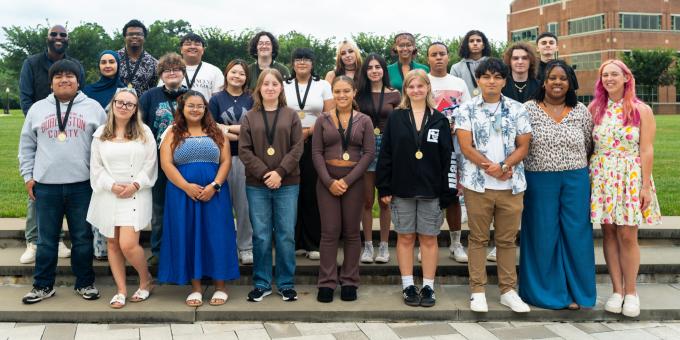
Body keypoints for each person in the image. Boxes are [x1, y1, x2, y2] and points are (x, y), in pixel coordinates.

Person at [18, 59, 107, 304]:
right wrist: (28, 177)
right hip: (46, 186)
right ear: (51, 82)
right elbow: (26, 146)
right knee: (46, 240)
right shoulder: (37, 109)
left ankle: (85, 283)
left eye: (70, 76)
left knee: (82, 238)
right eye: (59, 76)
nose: (64, 79)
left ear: (79, 81)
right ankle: (43, 285)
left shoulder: (93, 108)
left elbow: (104, 146)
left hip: (82, 185)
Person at [454, 58, 532, 313]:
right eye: (486, 76)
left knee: (506, 240)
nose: (491, 81)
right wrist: (492, 168)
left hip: (510, 185)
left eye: (497, 77)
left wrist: (505, 167)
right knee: (477, 238)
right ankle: (478, 291)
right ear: (478, 80)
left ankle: (508, 290)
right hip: (478, 186)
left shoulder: (518, 109)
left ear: (504, 81)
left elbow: (524, 145)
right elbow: (466, 147)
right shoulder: (466, 109)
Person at [519, 60, 596, 310]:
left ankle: (579, 291)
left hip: (575, 178)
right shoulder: (528, 109)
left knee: (577, 233)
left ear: (570, 82)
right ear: (543, 81)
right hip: (539, 178)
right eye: (552, 77)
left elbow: (588, 145)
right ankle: (547, 293)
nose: (557, 82)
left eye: (563, 78)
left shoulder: (581, 111)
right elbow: (521, 144)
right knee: (543, 233)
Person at [376, 70, 456, 308]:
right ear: (406, 90)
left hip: (431, 190)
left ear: (428, 88)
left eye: (421, 86)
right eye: (411, 87)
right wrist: (384, 186)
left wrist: (447, 191)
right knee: (405, 237)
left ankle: (429, 286)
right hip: (402, 189)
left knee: (429, 239)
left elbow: (447, 158)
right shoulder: (396, 118)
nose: (416, 91)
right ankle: (408, 284)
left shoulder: (439, 119)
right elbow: (386, 153)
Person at [589, 59, 661, 318]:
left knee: (628, 235)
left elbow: (647, 149)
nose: (609, 78)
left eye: (614, 74)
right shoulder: (595, 108)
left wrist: (644, 186)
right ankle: (616, 290)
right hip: (602, 175)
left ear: (626, 78)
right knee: (608, 233)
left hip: (630, 175)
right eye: (605, 75)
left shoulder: (641, 110)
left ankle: (631, 292)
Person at [158, 90, 239, 307]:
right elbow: (166, 164)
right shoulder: (172, 133)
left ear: (205, 109)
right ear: (182, 109)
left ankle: (220, 286)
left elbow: (225, 162)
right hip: (182, 194)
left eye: (200, 106)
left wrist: (215, 185)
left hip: (215, 194)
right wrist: (186, 186)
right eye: (191, 106)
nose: (196, 109)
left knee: (217, 235)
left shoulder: (216, 131)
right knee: (188, 234)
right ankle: (195, 287)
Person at [18, 24, 84, 264]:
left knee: (66, 187)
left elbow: (80, 92)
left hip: (70, 129)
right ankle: (33, 241)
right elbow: (25, 97)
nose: (58, 38)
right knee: (38, 185)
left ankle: (55, 239)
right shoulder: (31, 63)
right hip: (41, 130)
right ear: (47, 38)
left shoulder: (74, 65)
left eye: (63, 35)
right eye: (54, 34)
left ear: (68, 40)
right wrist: (41, 123)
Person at [87, 88, 156, 309]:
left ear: (136, 109)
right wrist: (112, 186)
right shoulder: (100, 134)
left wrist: (135, 185)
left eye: (130, 104)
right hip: (109, 192)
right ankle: (121, 290)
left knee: (128, 244)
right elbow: (96, 168)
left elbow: (151, 164)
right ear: (113, 104)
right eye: (120, 102)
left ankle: (146, 280)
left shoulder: (144, 132)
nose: (124, 107)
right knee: (113, 243)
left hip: (136, 192)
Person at [239, 69, 304, 302]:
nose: (269, 87)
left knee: (286, 234)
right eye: (265, 84)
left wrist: (279, 172)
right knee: (262, 235)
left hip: (287, 183)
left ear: (280, 88)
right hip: (257, 185)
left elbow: (298, 148)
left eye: (274, 84)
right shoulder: (249, 116)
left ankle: (286, 283)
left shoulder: (291, 115)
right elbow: (244, 150)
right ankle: (262, 282)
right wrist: (266, 173)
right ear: (259, 88)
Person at [313, 76, 375, 303]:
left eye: (346, 91)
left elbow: (369, 154)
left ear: (354, 92)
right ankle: (327, 282)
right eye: (337, 91)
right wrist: (329, 181)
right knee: (329, 232)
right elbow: (316, 153)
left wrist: (347, 181)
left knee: (351, 232)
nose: (341, 96)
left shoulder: (365, 121)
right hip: (327, 181)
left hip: (354, 181)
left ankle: (349, 281)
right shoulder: (322, 120)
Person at [283, 48, 333, 260]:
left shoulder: (323, 85)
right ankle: (294, 241)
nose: (302, 62)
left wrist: (308, 132)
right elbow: (278, 111)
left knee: (312, 193)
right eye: (298, 59)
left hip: (315, 141)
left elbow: (329, 114)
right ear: (292, 63)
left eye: (306, 59)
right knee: (291, 192)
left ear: (313, 63)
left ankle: (313, 242)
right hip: (287, 142)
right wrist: (297, 134)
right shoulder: (283, 85)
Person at [139, 53, 188, 265]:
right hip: (157, 162)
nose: (172, 73)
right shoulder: (150, 96)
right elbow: (139, 126)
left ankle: (184, 249)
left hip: (187, 162)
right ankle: (158, 252)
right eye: (167, 70)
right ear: (161, 75)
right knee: (158, 209)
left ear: (183, 73)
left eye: (176, 69)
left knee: (184, 207)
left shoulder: (192, 96)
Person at [426, 42, 471, 264]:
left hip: (454, 147)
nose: (438, 58)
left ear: (447, 56)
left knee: (453, 195)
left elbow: (468, 111)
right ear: (428, 59)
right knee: (430, 197)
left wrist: (456, 125)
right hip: (429, 149)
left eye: (442, 54)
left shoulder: (459, 83)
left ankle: (456, 243)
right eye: (433, 55)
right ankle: (428, 241)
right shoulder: (423, 81)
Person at [209, 59, 255, 265]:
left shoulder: (252, 99)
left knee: (244, 205)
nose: (237, 76)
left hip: (246, 159)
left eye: (242, 73)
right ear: (227, 73)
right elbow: (211, 128)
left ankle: (245, 247)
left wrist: (226, 129)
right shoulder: (216, 99)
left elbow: (255, 129)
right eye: (234, 72)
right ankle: (225, 247)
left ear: (247, 77)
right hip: (222, 159)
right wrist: (240, 133)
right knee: (222, 205)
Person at [355, 53, 401, 264]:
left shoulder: (394, 95)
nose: (374, 70)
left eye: (378, 67)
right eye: (370, 67)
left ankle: (383, 246)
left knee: (385, 201)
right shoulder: (359, 95)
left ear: (384, 70)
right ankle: (367, 246)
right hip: (364, 148)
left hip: (387, 147)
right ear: (365, 72)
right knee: (366, 201)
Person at [83, 50, 127, 261]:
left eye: (112, 61)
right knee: (99, 193)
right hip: (94, 146)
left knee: (118, 197)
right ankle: (99, 246)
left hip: (120, 150)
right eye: (103, 62)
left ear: (118, 64)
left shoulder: (126, 90)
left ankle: (120, 245)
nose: (108, 65)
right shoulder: (87, 91)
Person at [162, 33, 223, 99]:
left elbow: (219, 99)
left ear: (203, 50)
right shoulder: (168, 70)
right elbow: (161, 93)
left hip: (203, 109)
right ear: (181, 49)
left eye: (197, 44)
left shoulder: (215, 71)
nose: (192, 47)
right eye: (188, 44)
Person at [118, 19, 158, 96]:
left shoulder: (154, 63)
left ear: (144, 37)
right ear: (125, 37)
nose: (135, 36)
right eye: (130, 34)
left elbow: (153, 88)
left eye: (139, 34)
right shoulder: (114, 59)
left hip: (142, 106)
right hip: (118, 105)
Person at [450, 30, 491, 97]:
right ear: (467, 45)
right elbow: (453, 92)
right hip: (465, 106)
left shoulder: (493, 65)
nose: (475, 43)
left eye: (478, 40)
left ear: (483, 45)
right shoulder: (456, 68)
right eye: (471, 41)